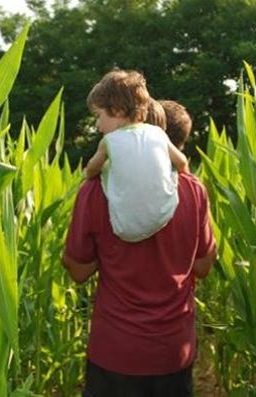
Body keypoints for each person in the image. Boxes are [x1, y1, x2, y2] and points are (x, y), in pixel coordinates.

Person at [64, 89, 216, 395]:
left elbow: (78, 272)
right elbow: (202, 266)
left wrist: (106, 253)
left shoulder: (95, 191)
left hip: (116, 350)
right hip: (174, 349)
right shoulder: (194, 190)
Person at [83, 70, 189, 242]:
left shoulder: (109, 141)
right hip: (165, 215)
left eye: (98, 116)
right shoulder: (158, 133)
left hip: (124, 229)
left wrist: (91, 171)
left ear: (117, 110)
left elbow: (91, 170)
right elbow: (182, 162)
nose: (97, 125)